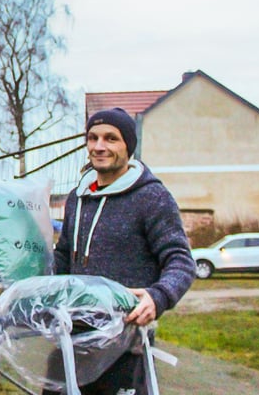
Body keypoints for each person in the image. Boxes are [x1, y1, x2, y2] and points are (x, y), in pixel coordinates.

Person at [50, 107, 196, 395]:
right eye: (92, 138)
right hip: (71, 337)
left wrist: (158, 297)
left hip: (126, 343)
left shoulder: (151, 197)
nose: (99, 146)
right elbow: (64, 256)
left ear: (128, 146)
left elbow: (180, 261)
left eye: (110, 138)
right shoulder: (77, 199)